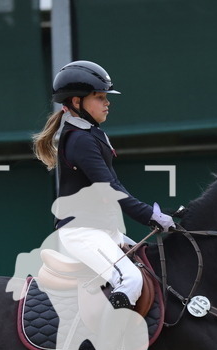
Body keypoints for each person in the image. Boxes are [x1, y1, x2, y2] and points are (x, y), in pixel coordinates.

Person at [32, 60, 176, 310]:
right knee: (129, 280)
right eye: (99, 97)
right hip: (82, 232)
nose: (107, 102)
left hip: (104, 229)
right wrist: (149, 215)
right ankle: (112, 348)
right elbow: (109, 188)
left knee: (152, 266)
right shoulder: (80, 140)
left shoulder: (90, 133)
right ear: (77, 102)